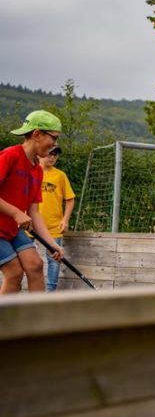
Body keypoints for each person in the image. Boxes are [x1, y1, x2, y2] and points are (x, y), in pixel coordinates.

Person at [0, 110, 65, 293]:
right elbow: (20, 212)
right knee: (14, 273)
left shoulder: (37, 170)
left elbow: (34, 212)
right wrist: (16, 213)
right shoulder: (10, 156)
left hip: (11, 230)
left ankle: (39, 320)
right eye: (53, 137)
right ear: (37, 134)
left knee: (36, 265)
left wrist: (52, 243)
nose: (54, 144)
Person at [36, 145, 75, 291]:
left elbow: (70, 199)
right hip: (30, 227)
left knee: (54, 260)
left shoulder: (60, 176)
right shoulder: (31, 172)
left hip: (53, 226)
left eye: (55, 155)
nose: (52, 157)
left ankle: (50, 292)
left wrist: (65, 219)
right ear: (40, 154)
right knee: (28, 260)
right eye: (50, 154)